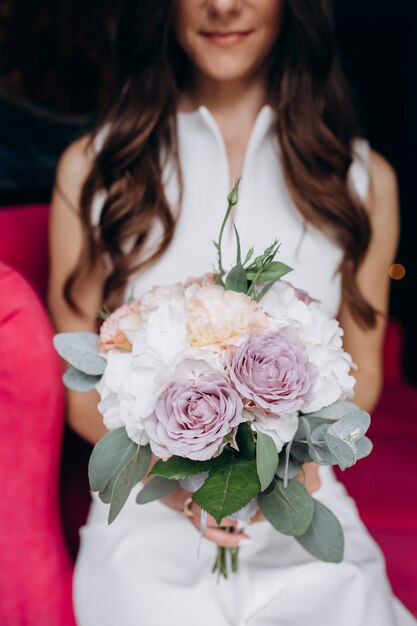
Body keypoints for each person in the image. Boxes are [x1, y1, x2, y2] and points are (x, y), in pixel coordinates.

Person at [47, 1, 416, 624]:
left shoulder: (361, 180)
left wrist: (284, 461)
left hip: (301, 498)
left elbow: (366, 371)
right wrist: (184, 483)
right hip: (146, 510)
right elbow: (78, 389)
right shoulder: (94, 168)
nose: (223, 5)